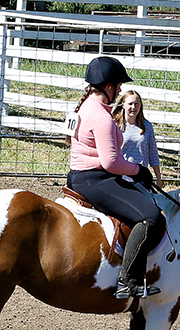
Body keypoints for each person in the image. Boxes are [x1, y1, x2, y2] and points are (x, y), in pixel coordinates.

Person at [66, 55, 165, 300]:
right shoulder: (101, 117)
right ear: (109, 87)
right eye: (118, 86)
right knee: (151, 217)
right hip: (95, 179)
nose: (120, 89)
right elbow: (111, 162)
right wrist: (139, 171)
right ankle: (128, 281)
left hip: (81, 175)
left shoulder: (86, 106)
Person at [114, 89, 159, 175]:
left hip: (140, 173)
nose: (133, 107)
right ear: (123, 104)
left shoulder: (147, 126)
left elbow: (153, 153)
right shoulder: (115, 126)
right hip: (120, 173)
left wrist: (158, 178)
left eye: (136, 104)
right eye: (130, 104)